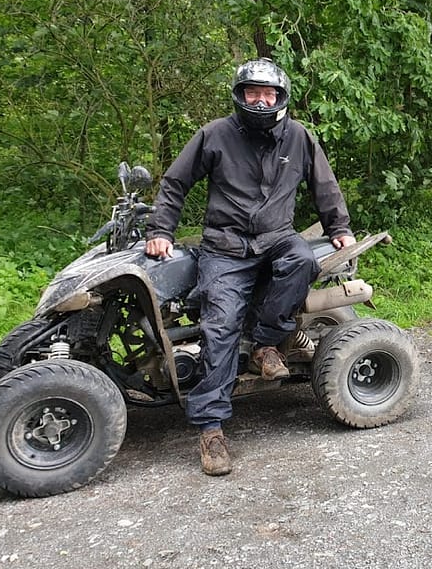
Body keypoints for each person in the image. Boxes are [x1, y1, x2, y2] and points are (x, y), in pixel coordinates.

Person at [144, 57, 355, 477]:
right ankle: (211, 429)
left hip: (277, 237)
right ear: (240, 96)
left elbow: (324, 185)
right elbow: (175, 183)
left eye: (268, 94)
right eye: (253, 93)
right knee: (220, 325)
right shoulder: (214, 134)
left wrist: (340, 229)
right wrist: (161, 230)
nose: (261, 101)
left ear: (280, 97)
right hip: (225, 245)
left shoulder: (298, 137)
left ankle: (266, 344)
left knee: (301, 259)